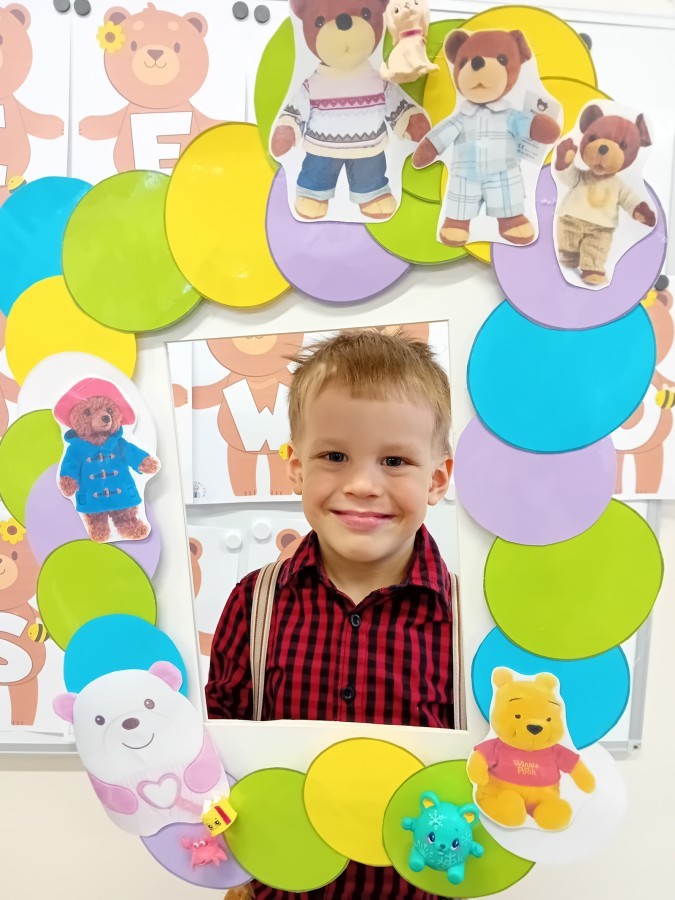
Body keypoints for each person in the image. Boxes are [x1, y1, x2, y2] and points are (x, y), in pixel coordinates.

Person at [206, 329, 461, 899]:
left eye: (394, 460)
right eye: (334, 456)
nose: (363, 485)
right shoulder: (254, 602)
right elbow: (219, 749)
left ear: (437, 478)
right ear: (296, 467)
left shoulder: (467, 624)